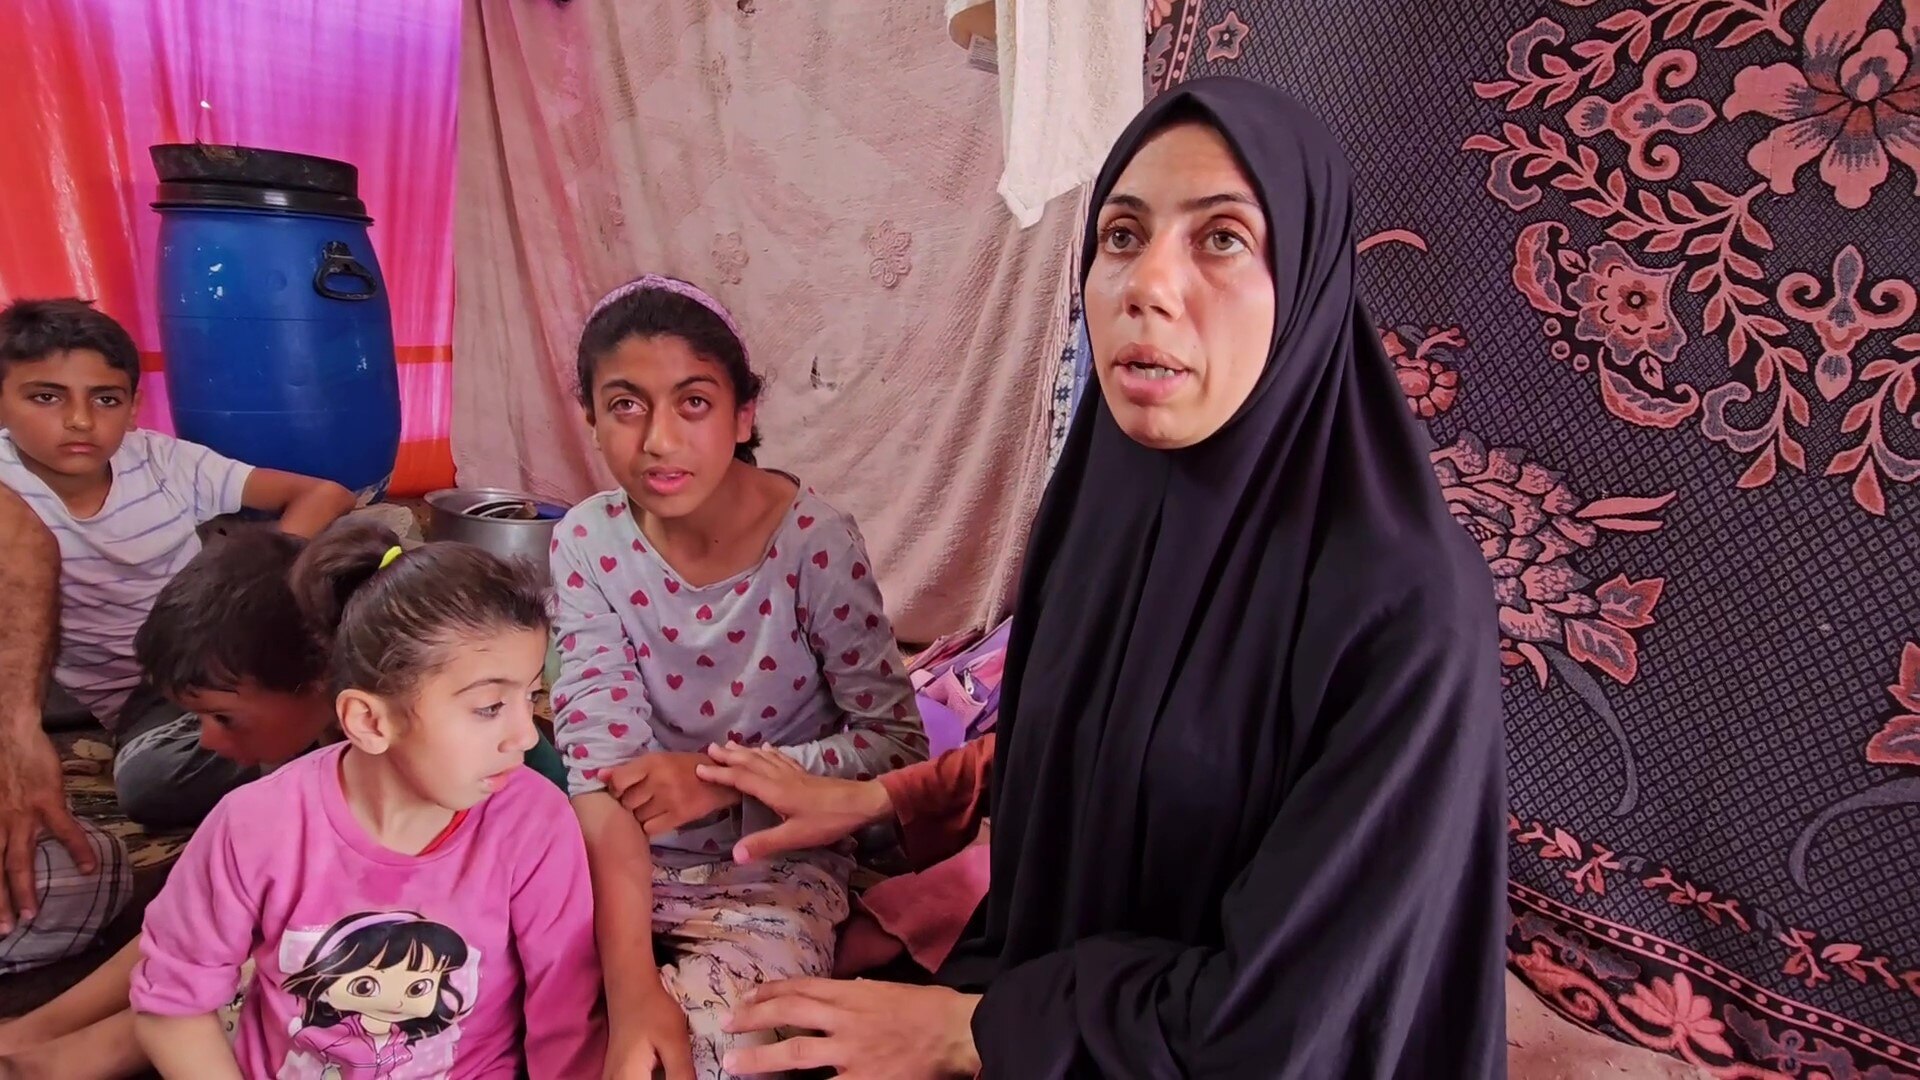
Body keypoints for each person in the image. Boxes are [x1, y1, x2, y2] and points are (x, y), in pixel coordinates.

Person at [696, 77, 1511, 1077]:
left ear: (1305, 282)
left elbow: (1301, 1014)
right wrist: (884, 804)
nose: (1146, 286)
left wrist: (969, 1034)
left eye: (1221, 239)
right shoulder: (1099, 509)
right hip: (1052, 1007)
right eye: (1122, 236)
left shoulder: (1405, 606)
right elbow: (1106, 749)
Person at [0, 525, 574, 1080]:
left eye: (531, 696)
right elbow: (173, 995)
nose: (527, 735)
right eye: (489, 707)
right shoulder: (256, 823)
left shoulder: (533, 820)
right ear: (368, 720)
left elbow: (566, 1011)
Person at [552, 275, 929, 1080]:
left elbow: (898, 751)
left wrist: (719, 781)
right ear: (590, 417)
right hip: (613, 865)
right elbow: (596, 777)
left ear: (743, 415)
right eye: (625, 406)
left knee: (708, 1057)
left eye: (693, 403)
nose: (659, 440)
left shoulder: (813, 544)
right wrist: (633, 989)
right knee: (466, 1003)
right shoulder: (587, 541)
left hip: (771, 869)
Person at [0, 297, 357, 836]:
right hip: (152, 698)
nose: (80, 420)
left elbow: (325, 493)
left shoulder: (162, 461)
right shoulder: (9, 487)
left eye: (106, 399)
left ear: (133, 406)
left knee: (367, 559)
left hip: (226, 642)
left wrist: (257, 581)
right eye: (45, 397)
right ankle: (321, 735)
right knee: (151, 784)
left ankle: (316, 724)